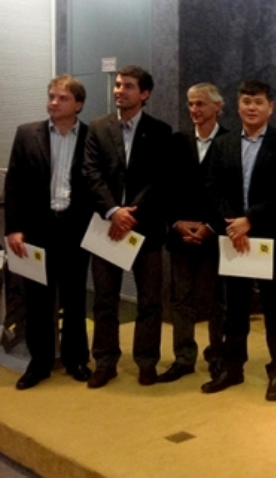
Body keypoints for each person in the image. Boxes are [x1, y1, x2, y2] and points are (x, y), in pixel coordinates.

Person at [201, 80, 276, 401]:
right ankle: (233, 367)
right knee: (235, 307)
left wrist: (250, 219)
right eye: (246, 101)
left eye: (258, 102)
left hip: (270, 237)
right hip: (233, 238)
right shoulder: (223, 143)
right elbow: (212, 188)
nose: (251, 107)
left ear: (271, 107)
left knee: (274, 308)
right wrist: (232, 224)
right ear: (238, 106)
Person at [82, 65, 172, 388]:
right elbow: (90, 172)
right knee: (105, 300)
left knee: (150, 301)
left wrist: (131, 214)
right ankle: (105, 362)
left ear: (144, 94)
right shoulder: (98, 127)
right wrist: (113, 211)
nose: (119, 90)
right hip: (106, 227)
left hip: (145, 228)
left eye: (128, 86)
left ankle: (146, 362)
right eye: (118, 84)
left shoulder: (160, 131)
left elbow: (161, 179)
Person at [4, 74, 92, 389]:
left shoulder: (92, 136)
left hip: (75, 230)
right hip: (37, 230)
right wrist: (13, 229)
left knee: (74, 298)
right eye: (51, 96)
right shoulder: (28, 134)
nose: (54, 102)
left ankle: (76, 358)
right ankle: (39, 362)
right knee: (38, 300)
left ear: (78, 104)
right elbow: (14, 184)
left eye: (62, 98)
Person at [159, 83, 228, 383]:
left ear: (217, 106)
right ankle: (183, 357)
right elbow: (165, 188)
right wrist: (176, 222)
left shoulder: (230, 141)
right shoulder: (176, 142)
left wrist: (211, 226)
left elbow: (231, 191)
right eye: (190, 104)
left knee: (216, 301)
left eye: (200, 104)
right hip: (180, 234)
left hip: (215, 234)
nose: (194, 110)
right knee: (181, 299)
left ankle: (218, 355)